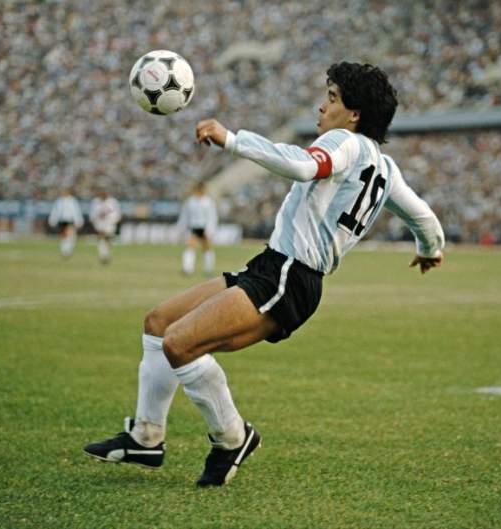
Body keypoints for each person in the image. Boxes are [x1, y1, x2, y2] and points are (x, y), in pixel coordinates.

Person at [83, 62, 445, 487]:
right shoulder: (386, 169)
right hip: (273, 267)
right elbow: (423, 216)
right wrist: (430, 249)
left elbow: (306, 167)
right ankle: (145, 436)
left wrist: (232, 140)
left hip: (290, 276)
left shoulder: (343, 142)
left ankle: (232, 438)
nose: (321, 106)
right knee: (159, 323)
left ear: (354, 114)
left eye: (331, 98)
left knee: (180, 343)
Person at [177, 182, 218, 275]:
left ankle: (208, 269)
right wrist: (181, 227)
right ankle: (187, 269)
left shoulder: (208, 202)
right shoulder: (190, 201)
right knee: (189, 247)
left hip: (204, 228)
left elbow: (212, 217)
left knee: (207, 248)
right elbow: (185, 215)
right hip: (194, 227)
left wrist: (210, 230)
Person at [48, 188, 84, 259]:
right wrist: (52, 220)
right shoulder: (59, 201)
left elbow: (76, 211)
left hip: (70, 220)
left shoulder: (72, 201)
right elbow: (55, 211)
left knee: (71, 235)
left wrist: (78, 221)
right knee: (64, 236)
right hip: (62, 220)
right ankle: (64, 250)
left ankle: (68, 249)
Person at [90, 188, 122, 264]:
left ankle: (106, 254)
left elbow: (117, 213)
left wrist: (115, 220)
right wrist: (94, 221)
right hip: (100, 224)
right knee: (101, 238)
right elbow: (92, 213)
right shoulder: (95, 202)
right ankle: (103, 255)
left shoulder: (113, 202)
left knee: (107, 239)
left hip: (110, 224)